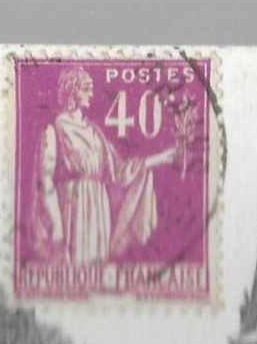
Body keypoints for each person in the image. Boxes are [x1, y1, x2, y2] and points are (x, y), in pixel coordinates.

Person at [31, 66, 181, 266]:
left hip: (98, 210)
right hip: (73, 208)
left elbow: (120, 172)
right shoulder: (54, 129)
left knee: (95, 273)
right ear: (72, 90)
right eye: (86, 88)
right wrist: (57, 226)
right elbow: (45, 181)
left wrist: (162, 158)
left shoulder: (95, 132)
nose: (92, 93)